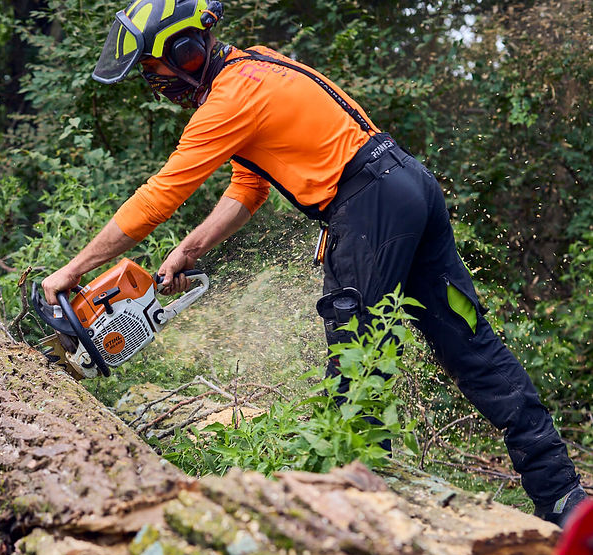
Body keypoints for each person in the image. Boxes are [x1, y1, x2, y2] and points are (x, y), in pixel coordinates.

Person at [40, 0, 586, 526]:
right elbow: (250, 183)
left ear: (186, 51)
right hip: (406, 185)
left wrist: (74, 269)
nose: (155, 80)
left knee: (357, 357)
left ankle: (370, 510)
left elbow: (163, 192)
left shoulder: (229, 97)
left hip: (368, 205)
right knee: (471, 344)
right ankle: (561, 494)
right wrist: (191, 248)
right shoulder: (255, 66)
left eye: (158, 66)